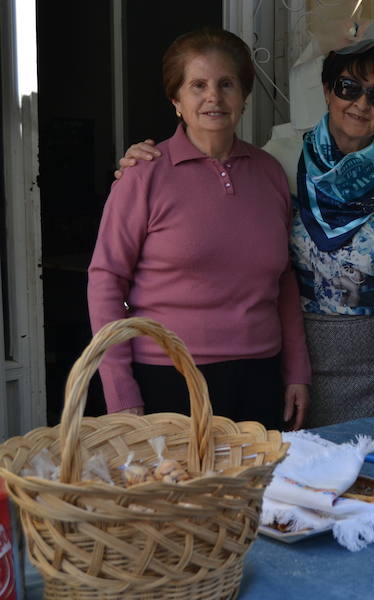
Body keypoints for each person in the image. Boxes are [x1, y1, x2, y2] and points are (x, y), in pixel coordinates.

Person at [117, 40, 374, 428]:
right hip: (295, 362)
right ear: (326, 91)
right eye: (348, 87)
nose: (361, 103)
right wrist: (142, 165)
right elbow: (215, 180)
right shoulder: (279, 159)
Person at [89, 27, 311, 431]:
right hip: (167, 380)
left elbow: (285, 282)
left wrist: (296, 371)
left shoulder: (270, 174)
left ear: (244, 95)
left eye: (227, 83)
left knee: (255, 493)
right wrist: (120, 390)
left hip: (259, 377)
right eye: (198, 85)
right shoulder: (144, 176)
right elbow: (106, 281)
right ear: (176, 99)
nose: (214, 97)